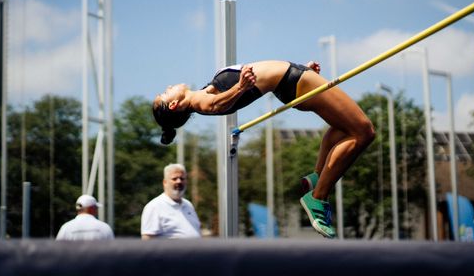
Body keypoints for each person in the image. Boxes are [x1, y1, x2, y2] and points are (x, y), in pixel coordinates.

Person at [152, 60, 375, 238]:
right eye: (165, 92)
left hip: (295, 79)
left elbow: (220, 96)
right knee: (363, 132)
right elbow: (217, 105)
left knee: (343, 127)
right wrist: (241, 86)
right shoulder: (201, 102)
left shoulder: (204, 91)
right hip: (293, 80)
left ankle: (318, 177)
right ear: (173, 105)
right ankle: (318, 197)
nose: (169, 87)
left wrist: (307, 72)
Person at [141, 163, 201, 239]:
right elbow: (147, 242)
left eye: (182, 178)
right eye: (174, 179)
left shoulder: (188, 205)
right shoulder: (154, 207)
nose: (179, 181)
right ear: (165, 182)